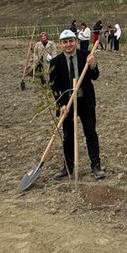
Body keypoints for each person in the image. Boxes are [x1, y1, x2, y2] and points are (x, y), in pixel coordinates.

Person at [48, 29, 105, 179]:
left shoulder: (85, 55)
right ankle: (68, 167)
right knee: (68, 136)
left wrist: (93, 65)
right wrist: (61, 104)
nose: (69, 44)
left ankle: (95, 165)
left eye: (71, 41)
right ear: (60, 44)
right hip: (67, 104)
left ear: (76, 41)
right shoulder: (55, 62)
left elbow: (95, 76)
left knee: (90, 133)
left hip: (85, 101)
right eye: (65, 42)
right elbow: (54, 87)